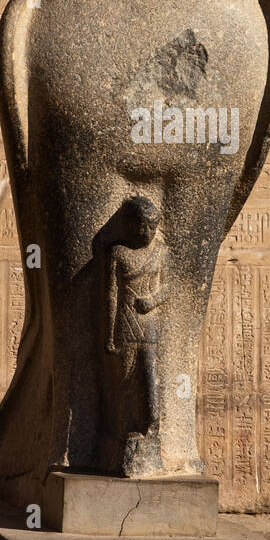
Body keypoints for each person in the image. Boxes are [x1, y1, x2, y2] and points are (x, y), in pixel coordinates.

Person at [105, 196, 169, 474]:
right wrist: (109, 334)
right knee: (127, 378)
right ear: (129, 225)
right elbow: (110, 295)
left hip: (150, 322)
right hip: (125, 323)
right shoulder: (117, 253)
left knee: (151, 375)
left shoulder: (162, 253)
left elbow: (167, 288)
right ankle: (127, 430)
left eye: (151, 228)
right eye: (141, 226)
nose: (146, 233)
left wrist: (153, 301)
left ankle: (152, 425)